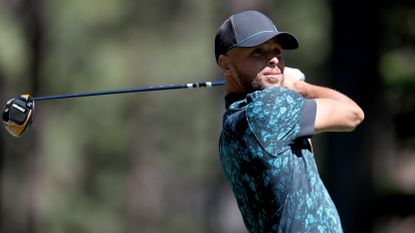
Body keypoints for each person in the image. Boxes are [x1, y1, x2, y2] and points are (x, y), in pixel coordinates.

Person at [216, 10, 364, 233]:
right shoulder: (270, 106)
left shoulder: (230, 128)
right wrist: (300, 88)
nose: (274, 59)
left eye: (277, 51)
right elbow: (353, 114)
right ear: (226, 65)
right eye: (257, 52)